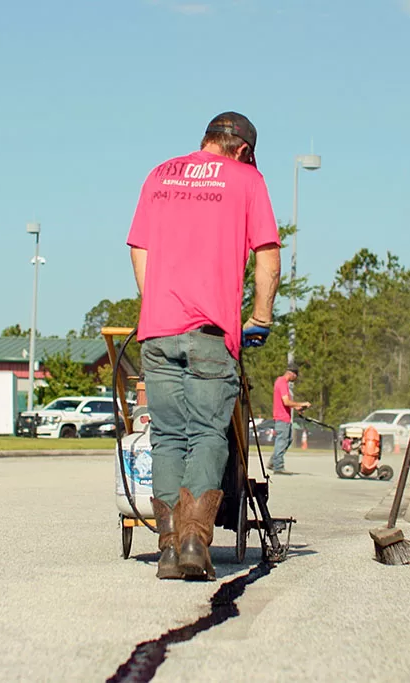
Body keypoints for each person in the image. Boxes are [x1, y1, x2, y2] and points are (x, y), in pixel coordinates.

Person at [127, 111, 281, 581]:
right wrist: (260, 316)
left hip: (157, 332)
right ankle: (195, 538)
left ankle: (169, 548)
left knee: (167, 436)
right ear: (242, 150)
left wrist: (154, 304)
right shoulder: (247, 180)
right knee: (209, 434)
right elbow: (268, 254)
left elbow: (139, 248)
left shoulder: (159, 174)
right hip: (211, 333)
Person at [269, 362, 310, 474]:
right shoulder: (282, 383)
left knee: (288, 439)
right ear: (292, 374)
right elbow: (286, 402)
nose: (295, 379)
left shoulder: (280, 382)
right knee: (282, 441)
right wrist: (301, 403)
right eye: (296, 376)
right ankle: (278, 467)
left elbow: (286, 403)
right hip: (282, 418)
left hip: (284, 417)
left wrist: (297, 407)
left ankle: (273, 461)